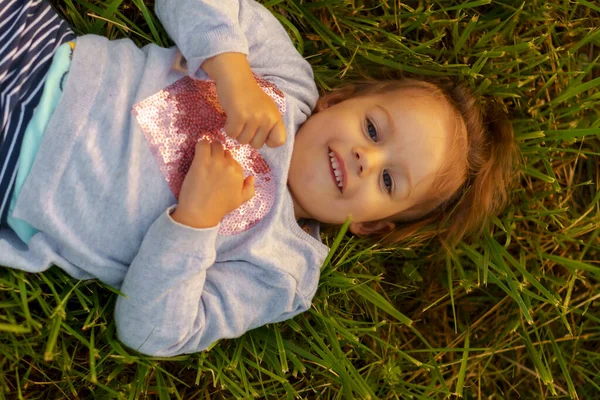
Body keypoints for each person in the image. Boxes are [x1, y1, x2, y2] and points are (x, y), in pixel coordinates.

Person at [0, 0, 517, 356]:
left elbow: (154, 332)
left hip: (24, 181)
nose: (366, 159)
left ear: (372, 227)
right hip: (40, 54)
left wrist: (196, 222)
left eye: (388, 183)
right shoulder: (285, 82)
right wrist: (231, 70)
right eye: (373, 128)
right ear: (336, 101)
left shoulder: (283, 270)